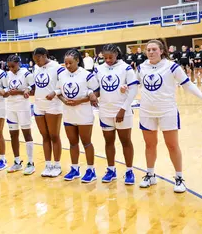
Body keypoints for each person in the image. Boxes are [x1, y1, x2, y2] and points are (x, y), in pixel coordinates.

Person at [137, 39, 202, 193]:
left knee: (172, 145)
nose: (151, 52)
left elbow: (187, 84)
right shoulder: (141, 67)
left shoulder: (172, 67)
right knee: (149, 145)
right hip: (147, 111)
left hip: (167, 111)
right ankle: (150, 174)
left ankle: (179, 178)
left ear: (161, 51)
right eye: (148, 50)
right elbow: (134, 84)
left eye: (154, 49)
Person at [49, 49, 99, 183]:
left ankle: (90, 169)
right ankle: (75, 168)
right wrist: (63, 100)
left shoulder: (87, 75)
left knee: (86, 142)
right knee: (72, 143)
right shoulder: (62, 75)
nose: (68, 65)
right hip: (68, 113)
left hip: (83, 113)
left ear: (77, 61)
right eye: (65, 63)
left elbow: (96, 92)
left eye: (70, 63)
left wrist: (81, 100)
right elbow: (59, 90)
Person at [94, 44, 138, 185]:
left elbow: (133, 90)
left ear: (116, 55)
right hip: (105, 111)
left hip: (122, 111)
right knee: (108, 142)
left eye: (110, 57)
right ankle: (111, 170)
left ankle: (129, 171)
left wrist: (123, 109)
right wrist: (91, 95)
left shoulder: (126, 68)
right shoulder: (98, 69)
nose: (107, 60)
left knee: (126, 141)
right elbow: (95, 88)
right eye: (105, 57)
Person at [32, 48, 64, 177]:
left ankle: (57, 165)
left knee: (54, 136)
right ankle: (48, 164)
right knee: (44, 136)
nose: (37, 62)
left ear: (45, 56)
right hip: (39, 105)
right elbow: (36, 85)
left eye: (38, 59)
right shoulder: (36, 68)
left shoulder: (57, 67)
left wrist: (55, 92)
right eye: (34, 60)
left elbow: (64, 85)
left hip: (53, 105)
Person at [4, 55, 36, 174]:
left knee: (27, 134)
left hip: (23, 107)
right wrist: (5, 93)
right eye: (9, 67)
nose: (11, 69)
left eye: (13, 66)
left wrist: (20, 91)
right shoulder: (8, 75)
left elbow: (33, 89)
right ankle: (17, 162)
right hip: (10, 106)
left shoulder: (27, 74)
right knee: (13, 135)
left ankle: (31, 162)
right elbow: (7, 89)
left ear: (19, 63)